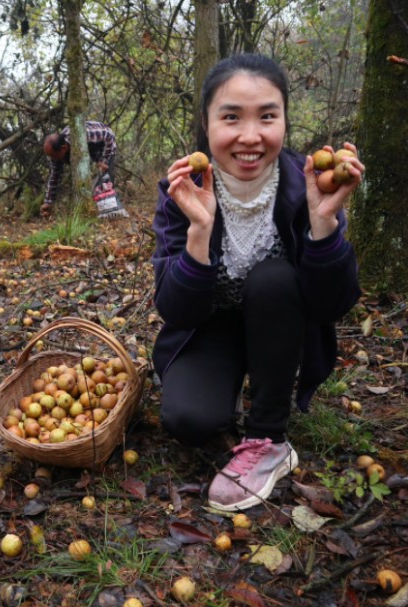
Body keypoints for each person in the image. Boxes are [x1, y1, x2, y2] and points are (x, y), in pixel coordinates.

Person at [150, 54, 364, 511]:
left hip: (280, 323)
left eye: (267, 116)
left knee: (272, 278)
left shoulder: (306, 185)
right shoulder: (181, 192)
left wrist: (324, 222)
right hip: (212, 326)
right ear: (207, 125)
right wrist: (199, 231)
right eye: (231, 117)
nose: (250, 136)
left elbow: (331, 305)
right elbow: (177, 310)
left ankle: (269, 437)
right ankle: (227, 383)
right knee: (189, 421)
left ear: (285, 120)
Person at [42, 121, 117, 216]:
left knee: (106, 178)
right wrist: (48, 201)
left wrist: (105, 160)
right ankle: (96, 209)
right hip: (90, 150)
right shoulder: (57, 152)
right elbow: (54, 176)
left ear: (63, 148)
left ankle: (109, 213)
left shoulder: (86, 134)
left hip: (104, 143)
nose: (53, 159)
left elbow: (108, 135)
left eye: (54, 156)